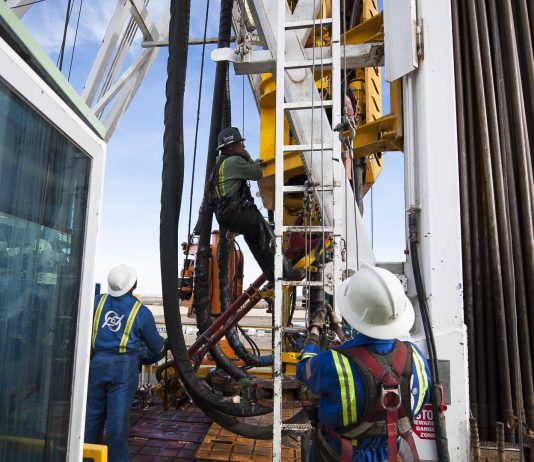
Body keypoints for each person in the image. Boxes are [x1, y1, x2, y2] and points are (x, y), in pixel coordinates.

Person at [297, 265, 431, 462]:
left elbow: (304, 369)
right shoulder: (416, 357)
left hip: (339, 454)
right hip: (389, 454)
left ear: (355, 312)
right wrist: (339, 330)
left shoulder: (331, 362)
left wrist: (314, 332)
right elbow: (367, 358)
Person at [85, 265, 166, 462]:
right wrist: (166, 347)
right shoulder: (140, 311)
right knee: (117, 421)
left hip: (96, 364)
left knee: (92, 416)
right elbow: (156, 345)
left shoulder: (97, 301)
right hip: (122, 369)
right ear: (134, 285)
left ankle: (86, 457)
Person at [208, 127, 303, 283]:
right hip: (237, 212)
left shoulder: (219, 164)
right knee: (268, 236)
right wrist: (250, 159)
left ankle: (272, 277)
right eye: (240, 143)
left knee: (254, 240)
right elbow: (257, 173)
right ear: (231, 147)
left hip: (224, 215)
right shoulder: (235, 161)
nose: (243, 146)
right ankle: (286, 273)